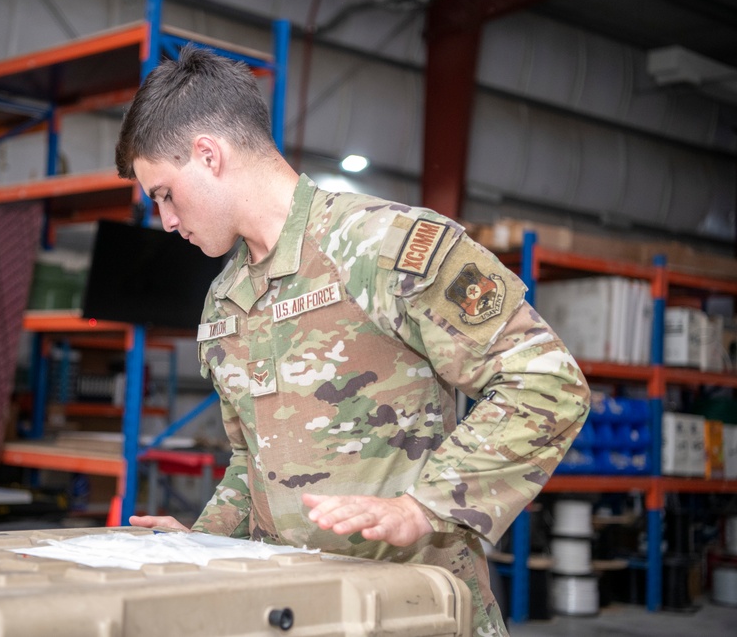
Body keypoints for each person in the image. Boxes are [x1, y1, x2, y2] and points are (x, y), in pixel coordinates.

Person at [115, 44, 590, 636]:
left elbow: (546, 381)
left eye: (163, 192)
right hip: (294, 615)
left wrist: (423, 507)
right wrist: (204, 542)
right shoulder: (225, 300)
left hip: (412, 612)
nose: (164, 220)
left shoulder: (385, 246)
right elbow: (253, 458)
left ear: (208, 155)